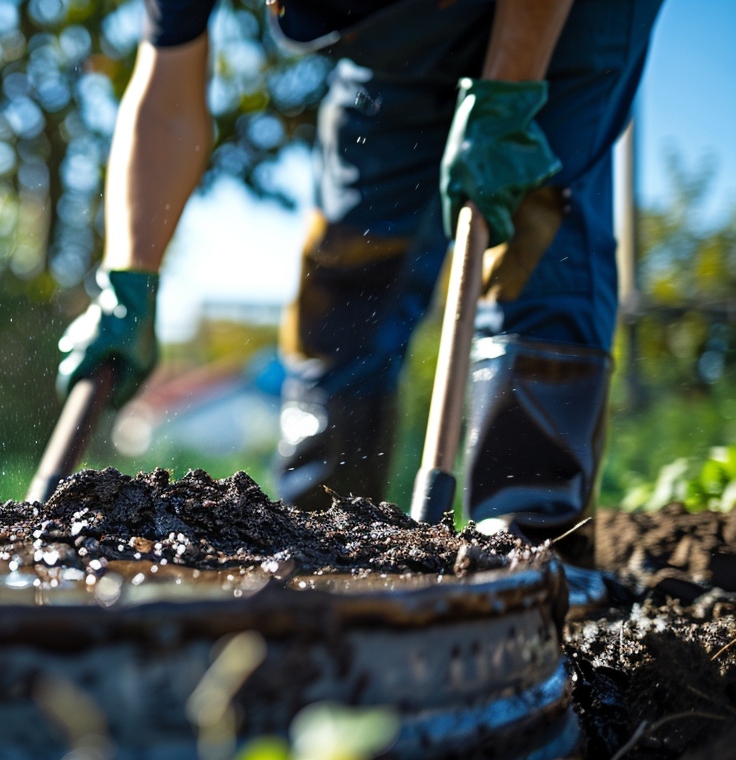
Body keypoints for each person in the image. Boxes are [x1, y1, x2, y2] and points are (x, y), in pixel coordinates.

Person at [56, 0, 663, 562]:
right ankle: (317, 535)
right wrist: (128, 280)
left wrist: (509, 93)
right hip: (389, 33)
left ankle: (529, 551)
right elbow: (165, 95)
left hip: (563, 17)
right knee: (347, 263)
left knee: (537, 217)